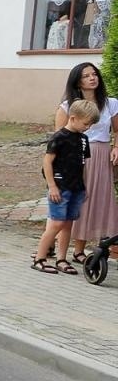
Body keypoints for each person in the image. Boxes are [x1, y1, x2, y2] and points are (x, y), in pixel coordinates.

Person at [54, 63, 118, 264]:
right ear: (77, 81)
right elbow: (59, 138)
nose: (92, 78)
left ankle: (80, 249)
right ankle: (59, 247)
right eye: (86, 76)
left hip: (102, 154)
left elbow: (117, 131)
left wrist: (116, 147)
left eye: (94, 74)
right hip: (77, 156)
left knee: (96, 200)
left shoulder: (111, 104)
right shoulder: (67, 106)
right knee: (78, 200)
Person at [32, 100, 99, 274]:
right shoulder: (59, 137)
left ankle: (62, 259)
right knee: (56, 223)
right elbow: (47, 162)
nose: (88, 127)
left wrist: (84, 186)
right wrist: (52, 186)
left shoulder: (84, 139)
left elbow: (83, 164)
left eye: (91, 124)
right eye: (86, 123)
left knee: (68, 224)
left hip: (76, 186)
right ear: (73, 118)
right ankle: (40, 257)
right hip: (60, 186)